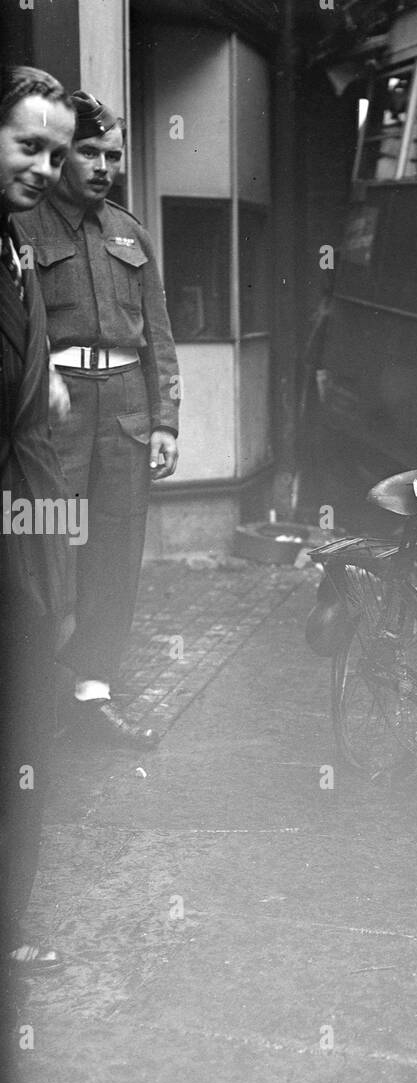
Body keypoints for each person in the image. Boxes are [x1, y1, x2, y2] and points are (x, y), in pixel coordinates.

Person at [16, 90, 180, 751]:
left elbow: (159, 335)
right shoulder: (25, 228)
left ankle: (93, 695)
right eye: (89, 151)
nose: (104, 164)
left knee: (115, 557)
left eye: (113, 153)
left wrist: (165, 419)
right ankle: (32, 697)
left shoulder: (130, 232)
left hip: (128, 416)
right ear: (62, 155)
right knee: (47, 553)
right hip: (55, 416)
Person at [0, 66, 76, 971]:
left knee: (27, 722)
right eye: (29, 146)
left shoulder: (15, 246)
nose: (46, 166)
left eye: (55, 152)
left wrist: (39, 380)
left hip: (18, 521)